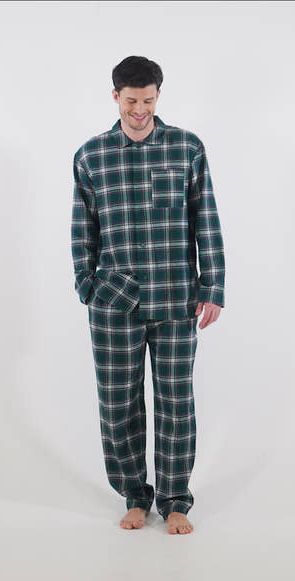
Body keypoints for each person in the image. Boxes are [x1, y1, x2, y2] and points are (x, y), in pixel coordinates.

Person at [71, 56, 226, 535]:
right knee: (118, 404)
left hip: (176, 297)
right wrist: (88, 287)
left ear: (159, 95)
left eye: (148, 100)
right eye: (131, 101)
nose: (140, 110)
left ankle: (176, 500)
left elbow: (206, 218)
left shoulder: (186, 147)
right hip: (113, 302)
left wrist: (212, 287)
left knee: (176, 403)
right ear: (115, 96)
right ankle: (135, 496)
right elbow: (82, 229)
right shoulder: (91, 155)